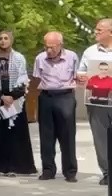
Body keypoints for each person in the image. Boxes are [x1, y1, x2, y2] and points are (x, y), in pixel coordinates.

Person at [0, 30, 36, 176]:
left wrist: (12, 96)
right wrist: (1, 96)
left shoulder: (19, 58)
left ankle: (15, 166)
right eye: (0, 38)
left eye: (6, 38)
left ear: (11, 40)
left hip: (15, 100)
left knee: (15, 134)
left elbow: (23, 78)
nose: (3, 41)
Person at [33, 31, 79, 182]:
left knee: (67, 135)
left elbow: (78, 76)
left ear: (60, 45)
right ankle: (48, 170)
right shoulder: (40, 58)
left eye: (52, 47)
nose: (49, 50)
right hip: (46, 96)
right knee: (46, 135)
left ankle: (70, 171)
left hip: (65, 96)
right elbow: (36, 79)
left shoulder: (72, 57)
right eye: (46, 47)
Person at [77, 18, 112, 185]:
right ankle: (107, 173)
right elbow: (81, 72)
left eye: (99, 30)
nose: (95, 32)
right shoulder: (90, 52)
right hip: (97, 102)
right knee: (100, 138)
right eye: (96, 29)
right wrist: (81, 77)